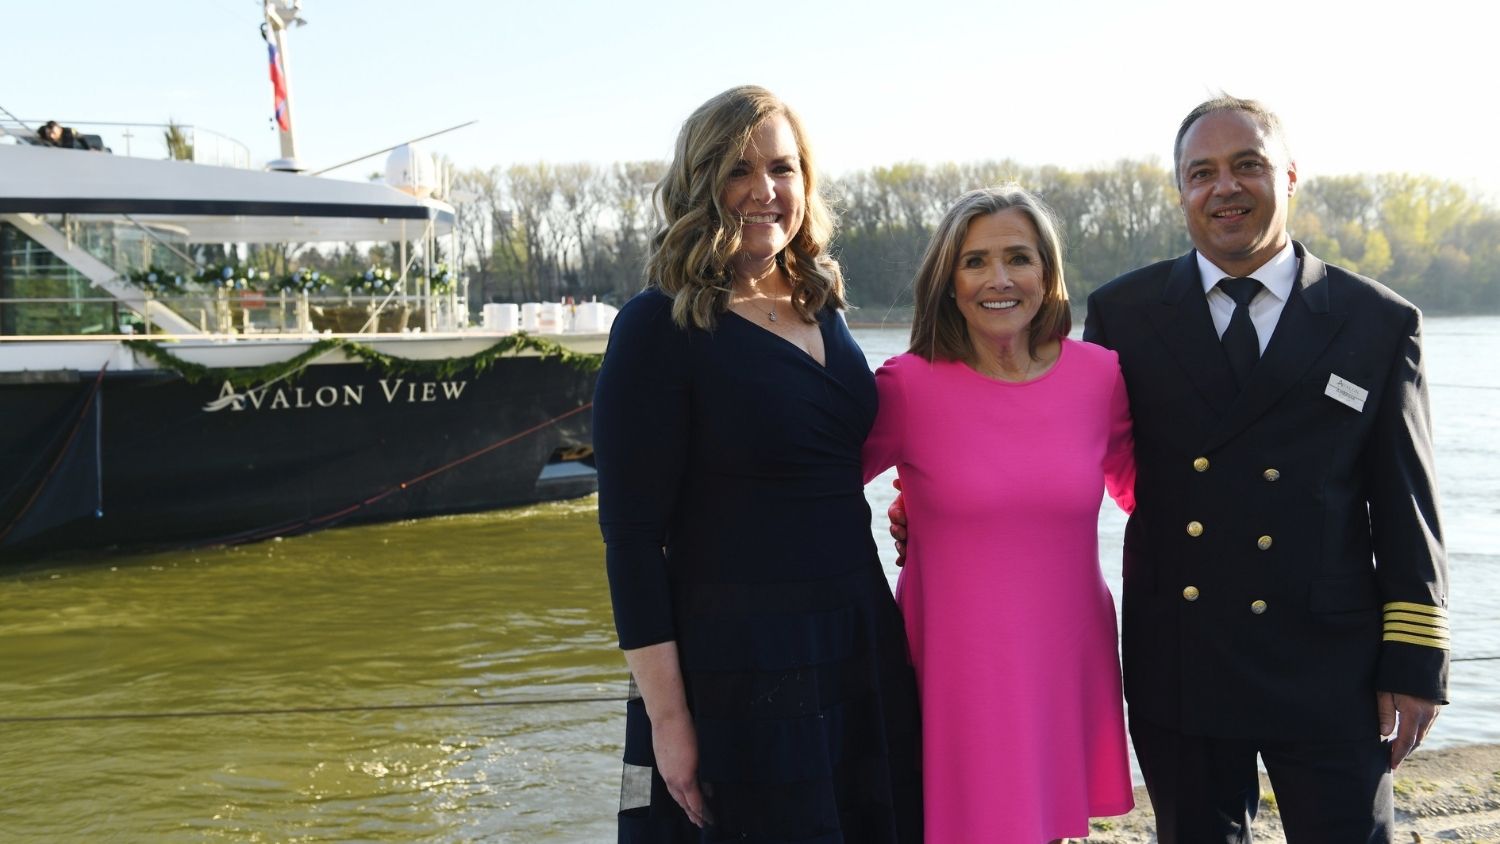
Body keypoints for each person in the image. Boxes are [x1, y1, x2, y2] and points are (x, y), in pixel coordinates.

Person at [895, 96, 1450, 842]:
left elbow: (1407, 504)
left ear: (1289, 176)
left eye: (1247, 165)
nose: (1225, 187)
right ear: (1180, 190)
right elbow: (1076, 444)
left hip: (1328, 663)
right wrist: (932, 511)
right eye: (1202, 172)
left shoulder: (1376, 321)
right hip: (1184, 659)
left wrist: (1416, 659)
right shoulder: (1127, 314)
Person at [592, 85, 922, 843]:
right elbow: (632, 542)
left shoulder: (823, 308)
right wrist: (670, 723)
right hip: (736, 661)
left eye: (783, 168)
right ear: (700, 182)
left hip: (855, 636)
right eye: (739, 170)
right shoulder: (660, 325)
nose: (765, 192)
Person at [863, 186, 1136, 842]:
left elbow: (1147, 497)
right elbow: (812, 492)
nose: (1000, 279)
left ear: (1048, 273)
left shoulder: (1101, 377)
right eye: (976, 261)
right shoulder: (906, 385)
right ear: (948, 281)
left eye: (1019, 257)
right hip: (956, 665)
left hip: (1065, 654)